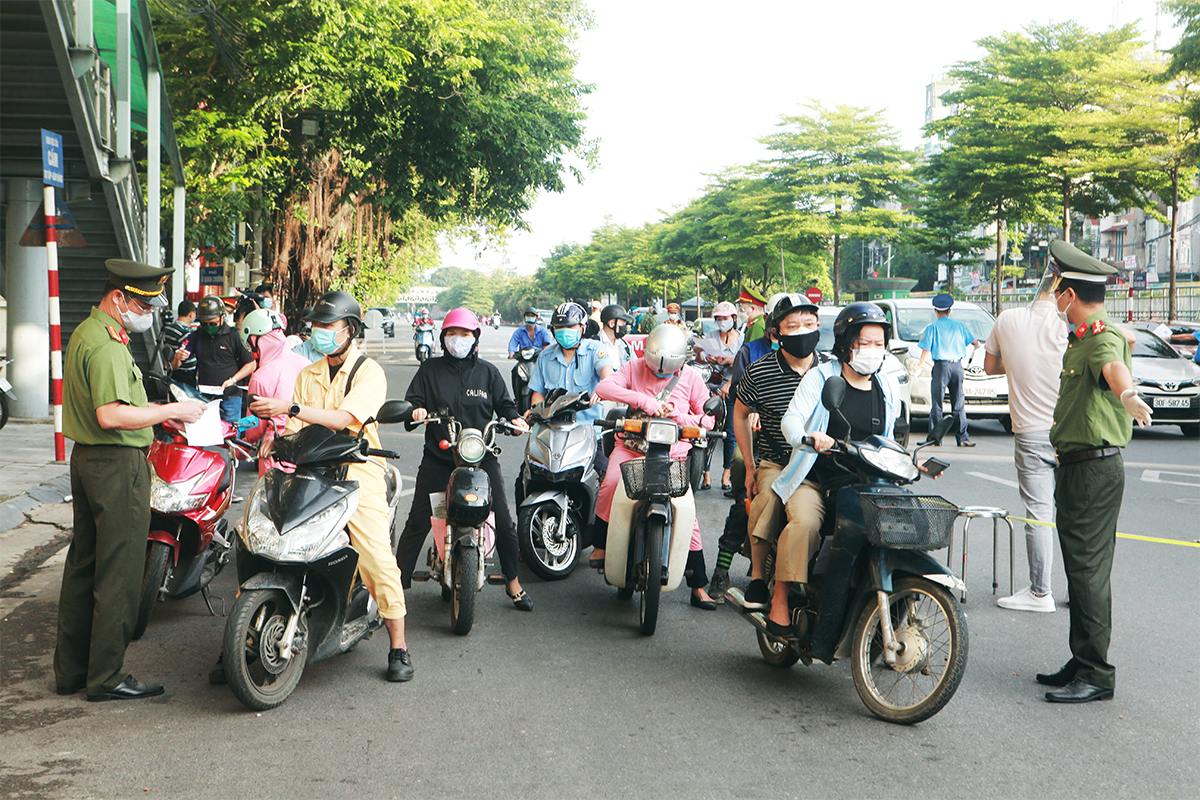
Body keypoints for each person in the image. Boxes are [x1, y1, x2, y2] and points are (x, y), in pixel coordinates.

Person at [55, 259, 207, 701]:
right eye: (141, 303)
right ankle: (106, 677)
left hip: (88, 462)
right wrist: (171, 411)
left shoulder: (90, 331)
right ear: (118, 298)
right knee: (119, 573)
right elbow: (110, 414)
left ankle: (72, 671)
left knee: (84, 566)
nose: (147, 312)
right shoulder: (105, 345)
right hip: (115, 466)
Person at [249, 291, 415, 682]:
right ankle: (245, 634)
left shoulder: (368, 372)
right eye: (316, 326)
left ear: (350, 330)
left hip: (359, 470)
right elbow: (295, 430)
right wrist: (275, 439)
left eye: (328, 326)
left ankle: (399, 645)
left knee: (375, 555)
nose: (319, 332)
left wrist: (288, 409)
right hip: (311, 470)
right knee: (267, 537)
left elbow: (342, 419)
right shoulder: (308, 374)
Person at [1035, 240, 1152, 704]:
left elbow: (1114, 369)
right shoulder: (1089, 335)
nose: (1053, 297)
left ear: (1067, 291)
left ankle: (1097, 673)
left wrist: (1127, 396)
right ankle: (1082, 658)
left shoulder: (1100, 340)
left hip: (1092, 471)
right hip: (1078, 468)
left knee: (1087, 573)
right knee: (1080, 570)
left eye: (1055, 288)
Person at [769, 302, 902, 636]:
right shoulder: (821, 376)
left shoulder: (887, 386)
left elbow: (890, 438)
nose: (873, 351)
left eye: (879, 344)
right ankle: (780, 601)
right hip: (816, 477)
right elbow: (792, 418)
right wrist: (807, 436)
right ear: (845, 343)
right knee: (805, 524)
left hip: (865, 480)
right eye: (865, 343)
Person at [397, 308, 534, 611]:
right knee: (418, 521)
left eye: (465, 334)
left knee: (504, 520)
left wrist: (514, 420)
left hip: (480, 459)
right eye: (452, 334)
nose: (458, 339)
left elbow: (505, 407)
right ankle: (394, 590)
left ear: (476, 338)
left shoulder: (487, 372)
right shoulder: (429, 371)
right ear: (443, 337)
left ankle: (513, 582)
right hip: (439, 457)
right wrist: (415, 411)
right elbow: (413, 404)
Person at [593, 324, 718, 609]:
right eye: (653, 367)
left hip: (672, 455)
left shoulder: (692, 378)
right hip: (631, 447)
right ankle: (600, 545)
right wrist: (644, 401)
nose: (659, 372)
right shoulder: (633, 367)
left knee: (688, 514)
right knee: (611, 483)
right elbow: (604, 386)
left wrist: (681, 416)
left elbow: (706, 418)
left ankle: (698, 585)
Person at [723, 295, 822, 611]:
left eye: (808, 324)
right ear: (776, 332)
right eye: (793, 325)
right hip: (776, 462)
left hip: (820, 467)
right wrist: (750, 466)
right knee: (765, 498)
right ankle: (756, 575)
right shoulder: (760, 370)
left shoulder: (830, 370)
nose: (802, 330)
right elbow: (739, 413)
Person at [983, 281, 1065, 613]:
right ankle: (1080, 588)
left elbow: (990, 367)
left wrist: (1018, 361)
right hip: (1070, 430)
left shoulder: (1008, 319)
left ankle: (1040, 592)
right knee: (1075, 515)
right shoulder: (1070, 325)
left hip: (1030, 432)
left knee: (1039, 513)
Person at [527, 302, 616, 557]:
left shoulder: (596, 351)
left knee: (607, 480)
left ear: (582, 328)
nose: (565, 331)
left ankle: (602, 542)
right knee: (527, 475)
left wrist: (603, 389)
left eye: (570, 327)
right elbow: (537, 394)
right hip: (551, 431)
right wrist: (534, 412)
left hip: (588, 432)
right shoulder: (545, 356)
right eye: (559, 327)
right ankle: (528, 536)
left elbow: (608, 375)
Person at [237, 308, 310, 477]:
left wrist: (239, 441)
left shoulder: (261, 376)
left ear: (255, 340)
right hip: (309, 446)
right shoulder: (306, 364)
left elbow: (255, 428)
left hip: (277, 451)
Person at [916, 293, 981, 447]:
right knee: (958, 402)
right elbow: (975, 342)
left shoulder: (932, 328)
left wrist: (919, 367)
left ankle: (935, 438)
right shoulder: (959, 326)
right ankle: (962, 438)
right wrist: (976, 345)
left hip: (941, 367)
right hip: (957, 367)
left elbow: (926, 349)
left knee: (937, 403)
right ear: (949, 310)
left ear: (935, 311)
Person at [180, 295, 256, 423]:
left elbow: (251, 364)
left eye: (213, 323)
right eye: (204, 324)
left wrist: (233, 380)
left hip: (230, 397)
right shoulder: (197, 335)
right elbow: (175, 364)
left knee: (229, 435)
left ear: (223, 317)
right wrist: (178, 357)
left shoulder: (234, 335)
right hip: (204, 397)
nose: (209, 327)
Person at [694, 300, 744, 491]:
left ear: (733, 318)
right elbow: (700, 357)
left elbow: (744, 365)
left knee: (731, 434)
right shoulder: (711, 336)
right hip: (711, 388)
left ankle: (726, 475)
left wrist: (731, 362)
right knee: (706, 431)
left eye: (725, 318)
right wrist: (706, 356)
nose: (722, 322)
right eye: (719, 319)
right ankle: (705, 475)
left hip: (732, 389)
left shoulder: (742, 339)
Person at [163, 298, 197, 386]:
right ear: (192, 315)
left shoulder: (169, 328)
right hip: (185, 373)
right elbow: (183, 356)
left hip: (173, 372)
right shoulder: (187, 333)